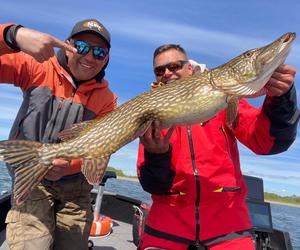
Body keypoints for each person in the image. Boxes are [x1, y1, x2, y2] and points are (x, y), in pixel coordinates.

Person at [137, 44, 299, 250]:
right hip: (166, 227)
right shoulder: (153, 117)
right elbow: (153, 185)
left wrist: (282, 100)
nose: (167, 73)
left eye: (175, 66)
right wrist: (156, 156)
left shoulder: (227, 101)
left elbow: (267, 142)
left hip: (228, 228)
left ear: (189, 68)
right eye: (160, 70)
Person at [0, 18, 117, 250]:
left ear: (107, 59)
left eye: (99, 52)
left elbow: (101, 147)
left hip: (76, 191)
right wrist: (13, 35)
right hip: (32, 181)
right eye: (82, 47)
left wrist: (70, 163)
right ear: (67, 44)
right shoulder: (37, 66)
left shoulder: (108, 99)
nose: (90, 57)